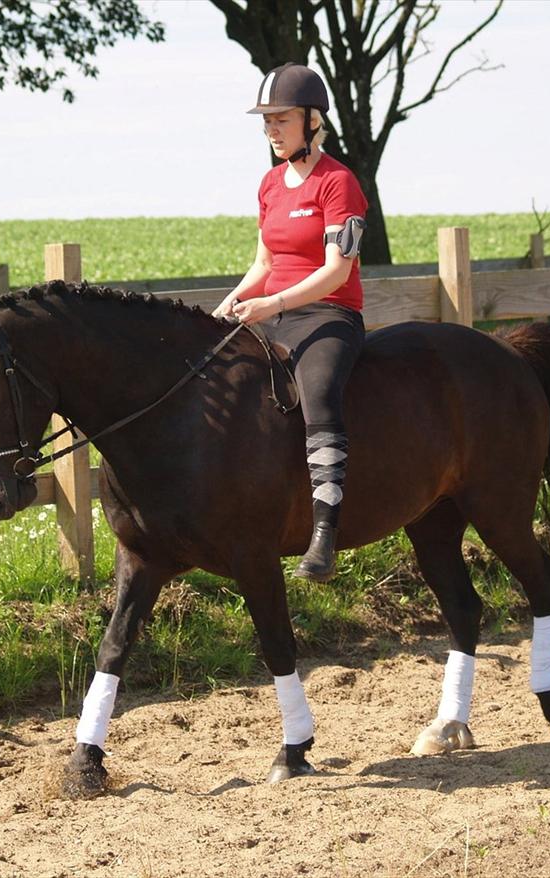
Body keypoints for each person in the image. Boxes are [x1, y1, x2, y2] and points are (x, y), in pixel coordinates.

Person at [213, 62, 369, 582]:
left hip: (327, 315)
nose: (271, 130)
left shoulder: (339, 183)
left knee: (320, 393)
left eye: (280, 120)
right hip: (272, 311)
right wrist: (227, 306)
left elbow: (335, 272)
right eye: (266, 122)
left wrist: (273, 305)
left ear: (311, 120)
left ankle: (324, 531)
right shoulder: (270, 185)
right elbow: (262, 266)